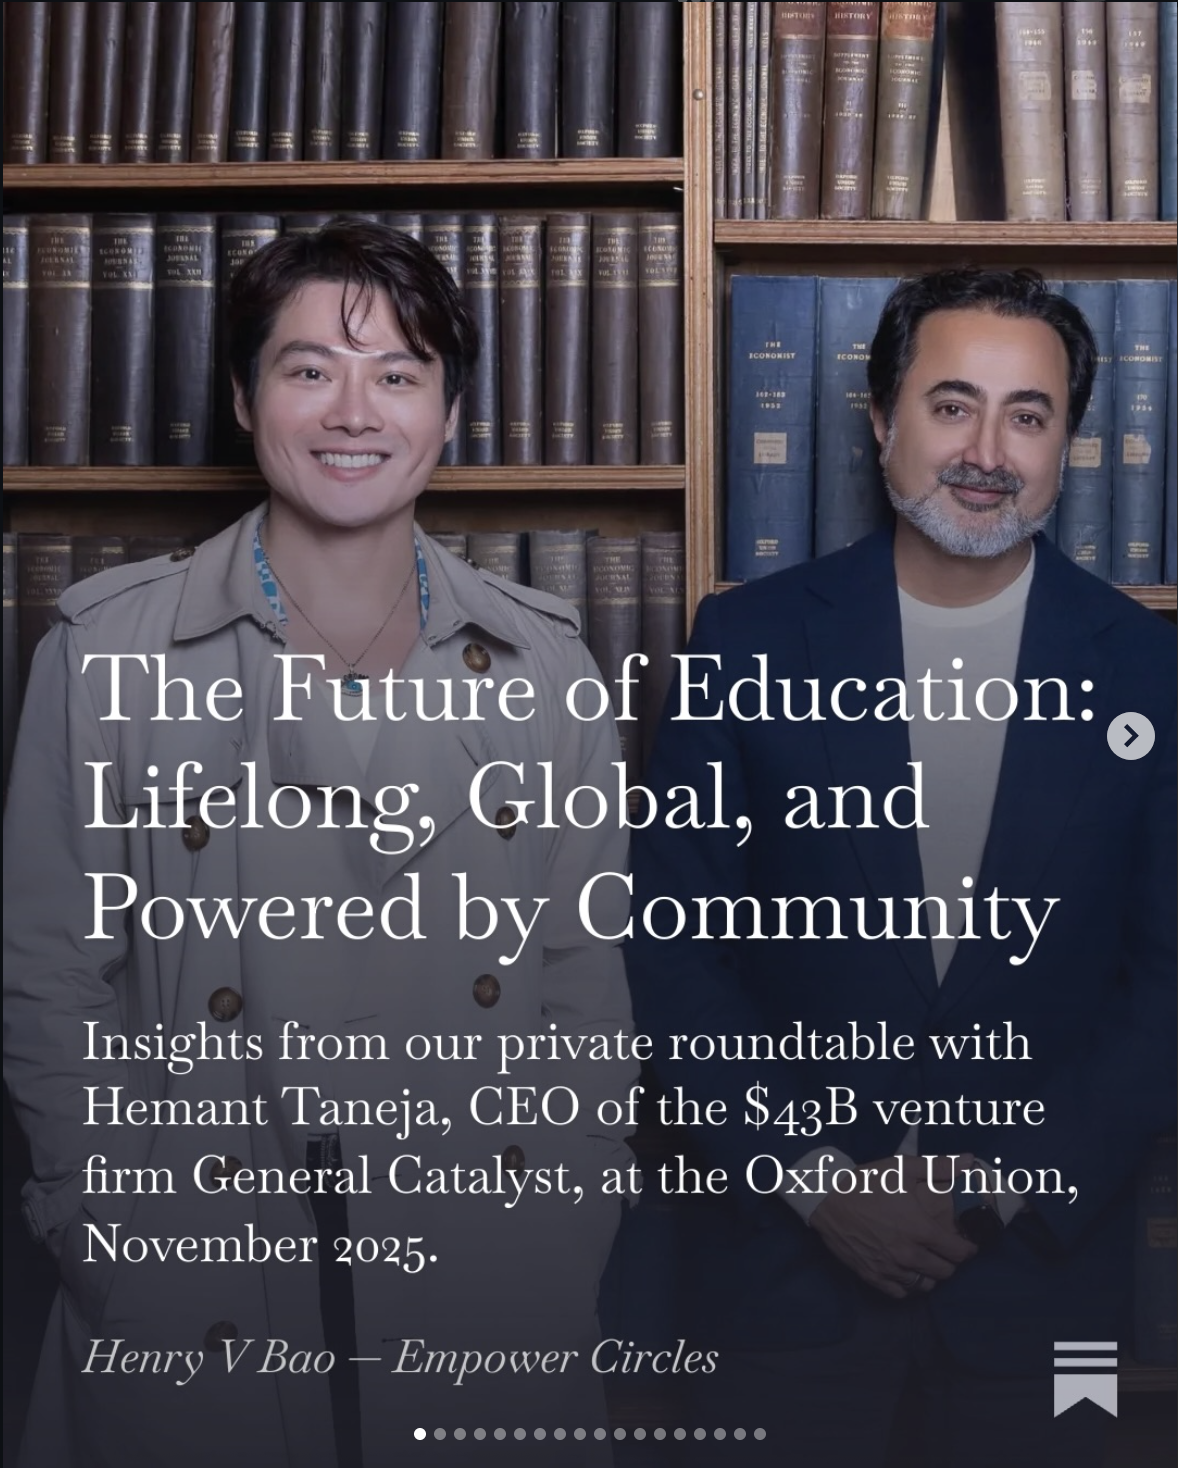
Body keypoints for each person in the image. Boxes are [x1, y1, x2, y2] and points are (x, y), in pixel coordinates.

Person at [4, 221, 635, 1468]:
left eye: (397, 374)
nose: (355, 412)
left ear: (447, 411)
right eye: (308, 369)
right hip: (205, 1262)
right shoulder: (105, 653)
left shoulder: (546, 659)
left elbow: (580, 985)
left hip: (479, 1258)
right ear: (244, 397)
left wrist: (567, 1219)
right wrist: (105, 1228)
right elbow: (49, 983)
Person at [627, 268, 1176, 1466]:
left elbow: (1167, 982)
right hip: (775, 1283)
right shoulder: (748, 638)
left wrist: (1006, 1184)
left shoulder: (1145, 670)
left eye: (1026, 415)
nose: (985, 449)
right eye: (950, 404)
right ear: (879, 419)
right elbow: (671, 952)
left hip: (1046, 1293)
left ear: (1066, 445)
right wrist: (818, 1182)